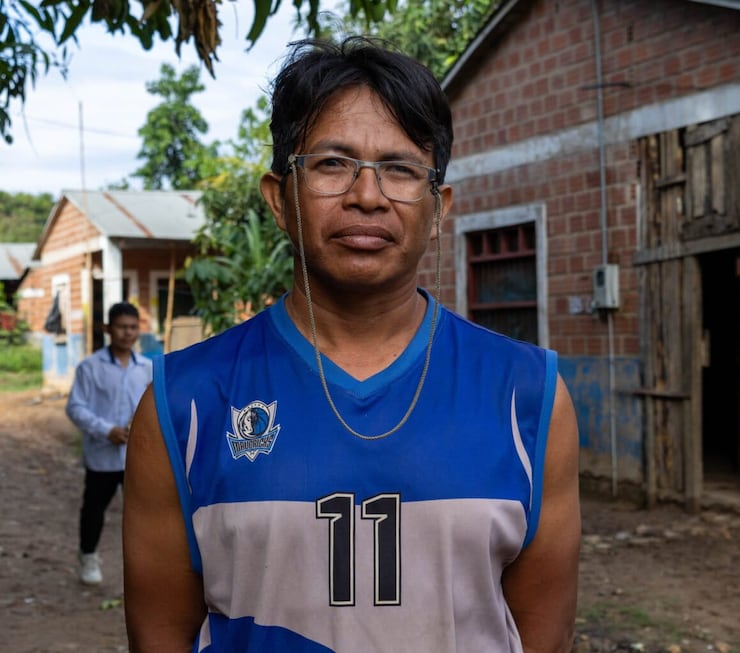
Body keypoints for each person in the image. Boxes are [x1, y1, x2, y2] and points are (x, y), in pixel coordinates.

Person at [123, 36, 581, 652]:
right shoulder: (185, 405)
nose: (368, 196)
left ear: (438, 208)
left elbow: (542, 636)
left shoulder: (530, 397)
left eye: (400, 169)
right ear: (280, 198)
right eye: (333, 164)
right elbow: (160, 635)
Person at [66, 301, 152, 585]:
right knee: (94, 509)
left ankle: (144, 565)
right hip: (102, 456)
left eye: (132, 327)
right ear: (108, 329)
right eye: (121, 327)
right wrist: (107, 430)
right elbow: (76, 408)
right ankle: (88, 557)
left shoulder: (148, 369)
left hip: (137, 455)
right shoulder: (90, 368)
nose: (127, 333)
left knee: (142, 513)